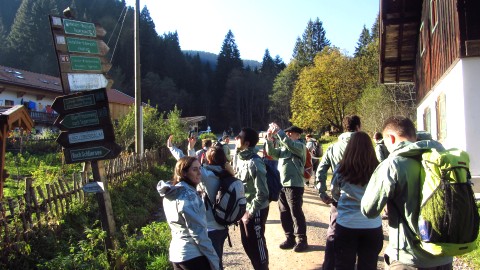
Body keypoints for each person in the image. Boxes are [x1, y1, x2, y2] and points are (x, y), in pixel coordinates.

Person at [361, 116, 452, 269]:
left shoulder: (392, 164)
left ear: (390, 138)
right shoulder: (443, 159)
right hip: (444, 257)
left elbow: (368, 210)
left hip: (408, 257)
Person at [167, 136, 234, 269]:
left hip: (209, 228)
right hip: (222, 226)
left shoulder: (207, 176)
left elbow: (185, 165)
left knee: (214, 262)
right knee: (217, 258)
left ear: (208, 160)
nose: (199, 171)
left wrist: (181, 149)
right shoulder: (227, 174)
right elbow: (192, 165)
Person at [330, 131, 383, 269]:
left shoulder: (341, 168)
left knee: (343, 265)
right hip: (372, 225)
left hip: (347, 224)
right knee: (368, 266)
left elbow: (334, 192)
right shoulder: (378, 168)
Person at [315, 115, 361, 270]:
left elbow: (321, 169)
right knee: (362, 236)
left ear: (344, 127)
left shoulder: (334, 147)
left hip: (340, 197)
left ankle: (329, 266)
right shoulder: (365, 146)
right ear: (358, 127)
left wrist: (321, 191)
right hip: (363, 199)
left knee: (334, 233)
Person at [157, 156, 220, 270]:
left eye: (200, 169)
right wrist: (213, 259)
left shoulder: (171, 193)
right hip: (193, 255)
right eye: (194, 169)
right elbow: (198, 232)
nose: (199, 173)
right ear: (184, 173)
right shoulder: (189, 197)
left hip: (177, 254)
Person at [265, 123, 309, 252]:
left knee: (296, 212)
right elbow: (272, 153)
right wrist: (269, 139)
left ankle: (302, 239)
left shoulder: (300, 146)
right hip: (283, 185)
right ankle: (290, 238)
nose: (288, 135)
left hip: (295, 185)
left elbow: (289, 144)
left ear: (298, 135)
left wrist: (279, 132)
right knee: (284, 213)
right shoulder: (285, 148)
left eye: (291, 133)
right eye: (287, 133)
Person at [234, 127, 270, 270]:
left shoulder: (255, 162)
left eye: (239, 136)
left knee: (257, 243)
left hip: (256, 209)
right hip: (245, 208)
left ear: (247, 143)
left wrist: (250, 212)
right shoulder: (242, 158)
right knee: (247, 243)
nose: (236, 138)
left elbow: (262, 192)